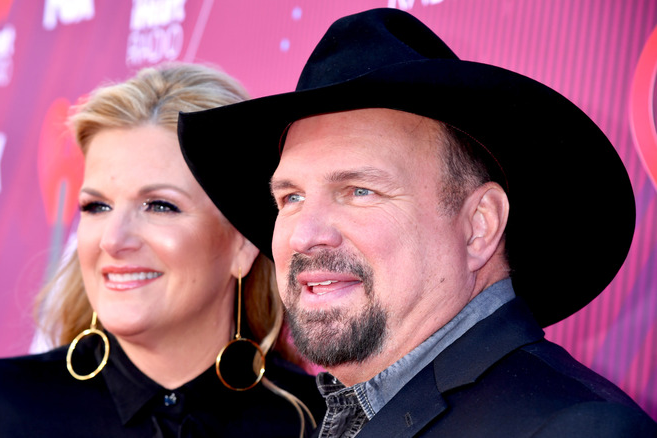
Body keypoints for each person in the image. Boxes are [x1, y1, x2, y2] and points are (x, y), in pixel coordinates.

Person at [176, 8, 657, 438]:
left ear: (479, 226)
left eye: (360, 191)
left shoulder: (577, 429)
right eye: (291, 197)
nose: (304, 234)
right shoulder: (324, 415)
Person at [0, 64, 323, 437]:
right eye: (97, 206)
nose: (113, 239)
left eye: (160, 205)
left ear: (243, 244)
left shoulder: (321, 422)